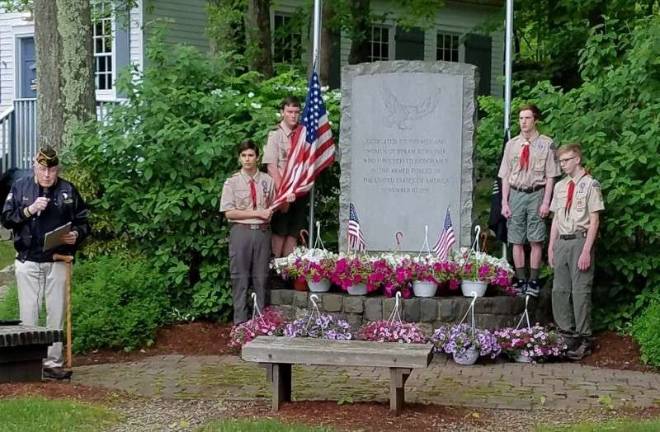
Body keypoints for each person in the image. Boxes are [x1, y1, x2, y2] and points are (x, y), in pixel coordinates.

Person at [1, 147, 90, 380]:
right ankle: (29, 364)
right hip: (28, 260)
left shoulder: (67, 190)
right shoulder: (21, 188)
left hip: (58, 260)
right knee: (29, 314)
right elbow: (6, 219)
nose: (47, 174)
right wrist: (29, 210)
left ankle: (53, 364)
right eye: (43, 169)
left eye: (51, 169)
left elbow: (83, 220)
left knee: (55, 313)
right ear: (34, 167)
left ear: (57, 169)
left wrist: (77, 235)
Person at [548, 144, 604, 360]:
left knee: (580, 291)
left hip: (580, 241)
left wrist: (586, 251)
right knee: (559, 290)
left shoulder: (591, 185)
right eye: (561, 161)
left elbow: (594, 220)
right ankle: (566, 334)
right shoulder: (560, 186)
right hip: (562, 241)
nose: (563, 165)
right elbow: (555, 219)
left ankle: (584, 338)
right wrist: (551, 247)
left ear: (577, 159)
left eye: (567, 160)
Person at [498, 104, 560, 297]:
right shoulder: (512, 145)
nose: (523, 122)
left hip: (537, 192)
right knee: (516, 238)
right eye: (521, 118)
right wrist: (504, 202)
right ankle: (520, 279)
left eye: (527, 118)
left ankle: (533, 280)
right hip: (516, 192)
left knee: (536, 238)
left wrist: (546, 202)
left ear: (535, 120)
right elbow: (505, 175)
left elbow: (551, 176)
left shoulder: (547, 143)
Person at [220, 140, 275, 324]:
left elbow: (273, 206)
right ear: (239, 158)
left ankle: (260, 324)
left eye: (251, 155)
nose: (247, 159)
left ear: (257, 157)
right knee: (240, 278)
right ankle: (241, 325)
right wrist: (257, 213)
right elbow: (229, 212)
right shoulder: (232, 182)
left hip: (262, 233)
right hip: (240, 232)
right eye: (243, 155)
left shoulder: (268, 181)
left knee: (261, 279)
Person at [263, 96, 308, 258]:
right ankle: (274, 270)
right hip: (282, 192)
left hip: (300, 192)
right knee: (280, 232)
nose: (293, 115)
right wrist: (283, 192)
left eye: (296, 112)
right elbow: (271, 167)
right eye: (289, 111)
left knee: (293, 233)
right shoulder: (275, 135)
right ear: (282, 112)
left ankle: (287, 273)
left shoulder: (303, 134)